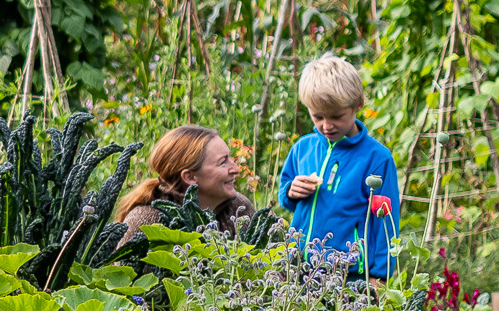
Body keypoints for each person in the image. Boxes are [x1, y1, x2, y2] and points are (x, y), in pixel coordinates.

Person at [275, 54, 401, 277]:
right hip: (298, 267)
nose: (326, 126)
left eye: (336, 116)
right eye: (317, 117)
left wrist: (380, 276)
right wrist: (291, 192)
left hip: (347, 274)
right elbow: (285, 193)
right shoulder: (303, 148)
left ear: (357, 105)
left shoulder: (376, 158)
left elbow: (386, 224)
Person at [119, 125, 250, 238]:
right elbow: (123, 267)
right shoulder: (146, 221)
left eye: (230, 158)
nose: (235, 169)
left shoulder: (239, 208)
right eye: (223, 162)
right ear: (190, 177)